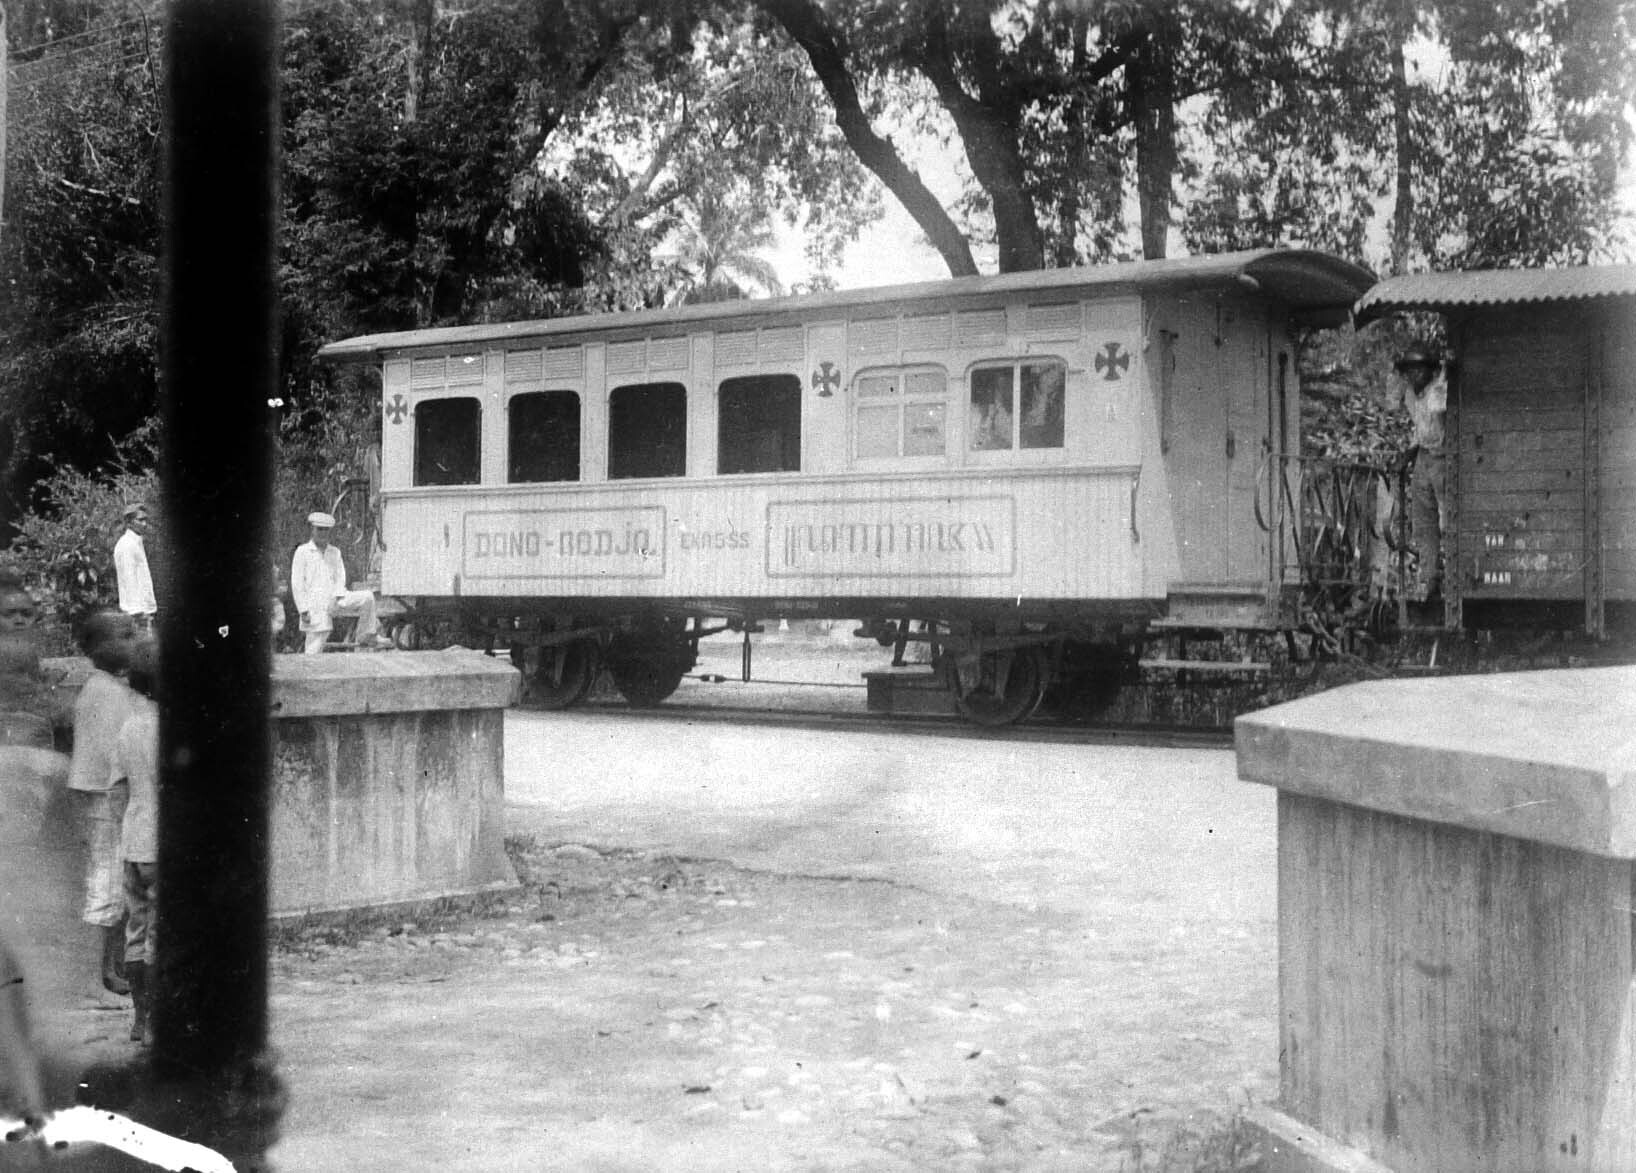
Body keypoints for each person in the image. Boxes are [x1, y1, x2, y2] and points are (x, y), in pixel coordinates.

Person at [66, 612, 139, 1001]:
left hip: (108, 796)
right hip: (103, 798)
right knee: (106, 887)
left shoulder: (110, 687)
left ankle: (109, 970)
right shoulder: (104, 692)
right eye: (125, 636)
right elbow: (117, 753)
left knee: (116, 885)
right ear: (98, 648)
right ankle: (92, 983)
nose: (134, 642)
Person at [112, 638, 159, 1046]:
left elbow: (117, 789)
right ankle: (157, 1022)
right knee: (162, 933)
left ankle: (140, 1019)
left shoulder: (128, 728)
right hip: (165, 844)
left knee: (137, 928)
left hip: (134, 839)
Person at [1394, 345, 1449, 602]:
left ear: (1428, 371)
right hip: (1424, 455)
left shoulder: (1438, 391)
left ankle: (1453, 575)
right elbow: (1421, 430)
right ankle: (1429, 579)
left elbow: (1440, 418)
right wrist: (1407, 456)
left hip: (1444, 456)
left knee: (1447, 518)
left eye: (1418, 370)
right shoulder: (1413, 396)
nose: (1414, 375)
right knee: (1423, 520)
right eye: (1410, 371)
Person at [289, 511, 382, 654]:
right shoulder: (302, 552)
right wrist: (303, 609)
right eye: (319, 529)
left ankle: (365, 635)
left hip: (337, 600)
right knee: (315, 647)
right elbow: (297, 584)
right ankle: (309, 666)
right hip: (316, 605)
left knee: (367, 597)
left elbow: (340, 578)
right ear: (312, 530)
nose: (323, 533)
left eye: (326, 530)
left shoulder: (335, 552)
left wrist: (337, 596)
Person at [112, 504, 157, 631]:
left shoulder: (136, 542)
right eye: (140, 520)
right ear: (129, 522)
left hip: (144, 611)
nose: (144, 524)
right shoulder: (127, 545)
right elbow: (129, 579)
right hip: (137, 613)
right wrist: (138, 612)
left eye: (145, 520)